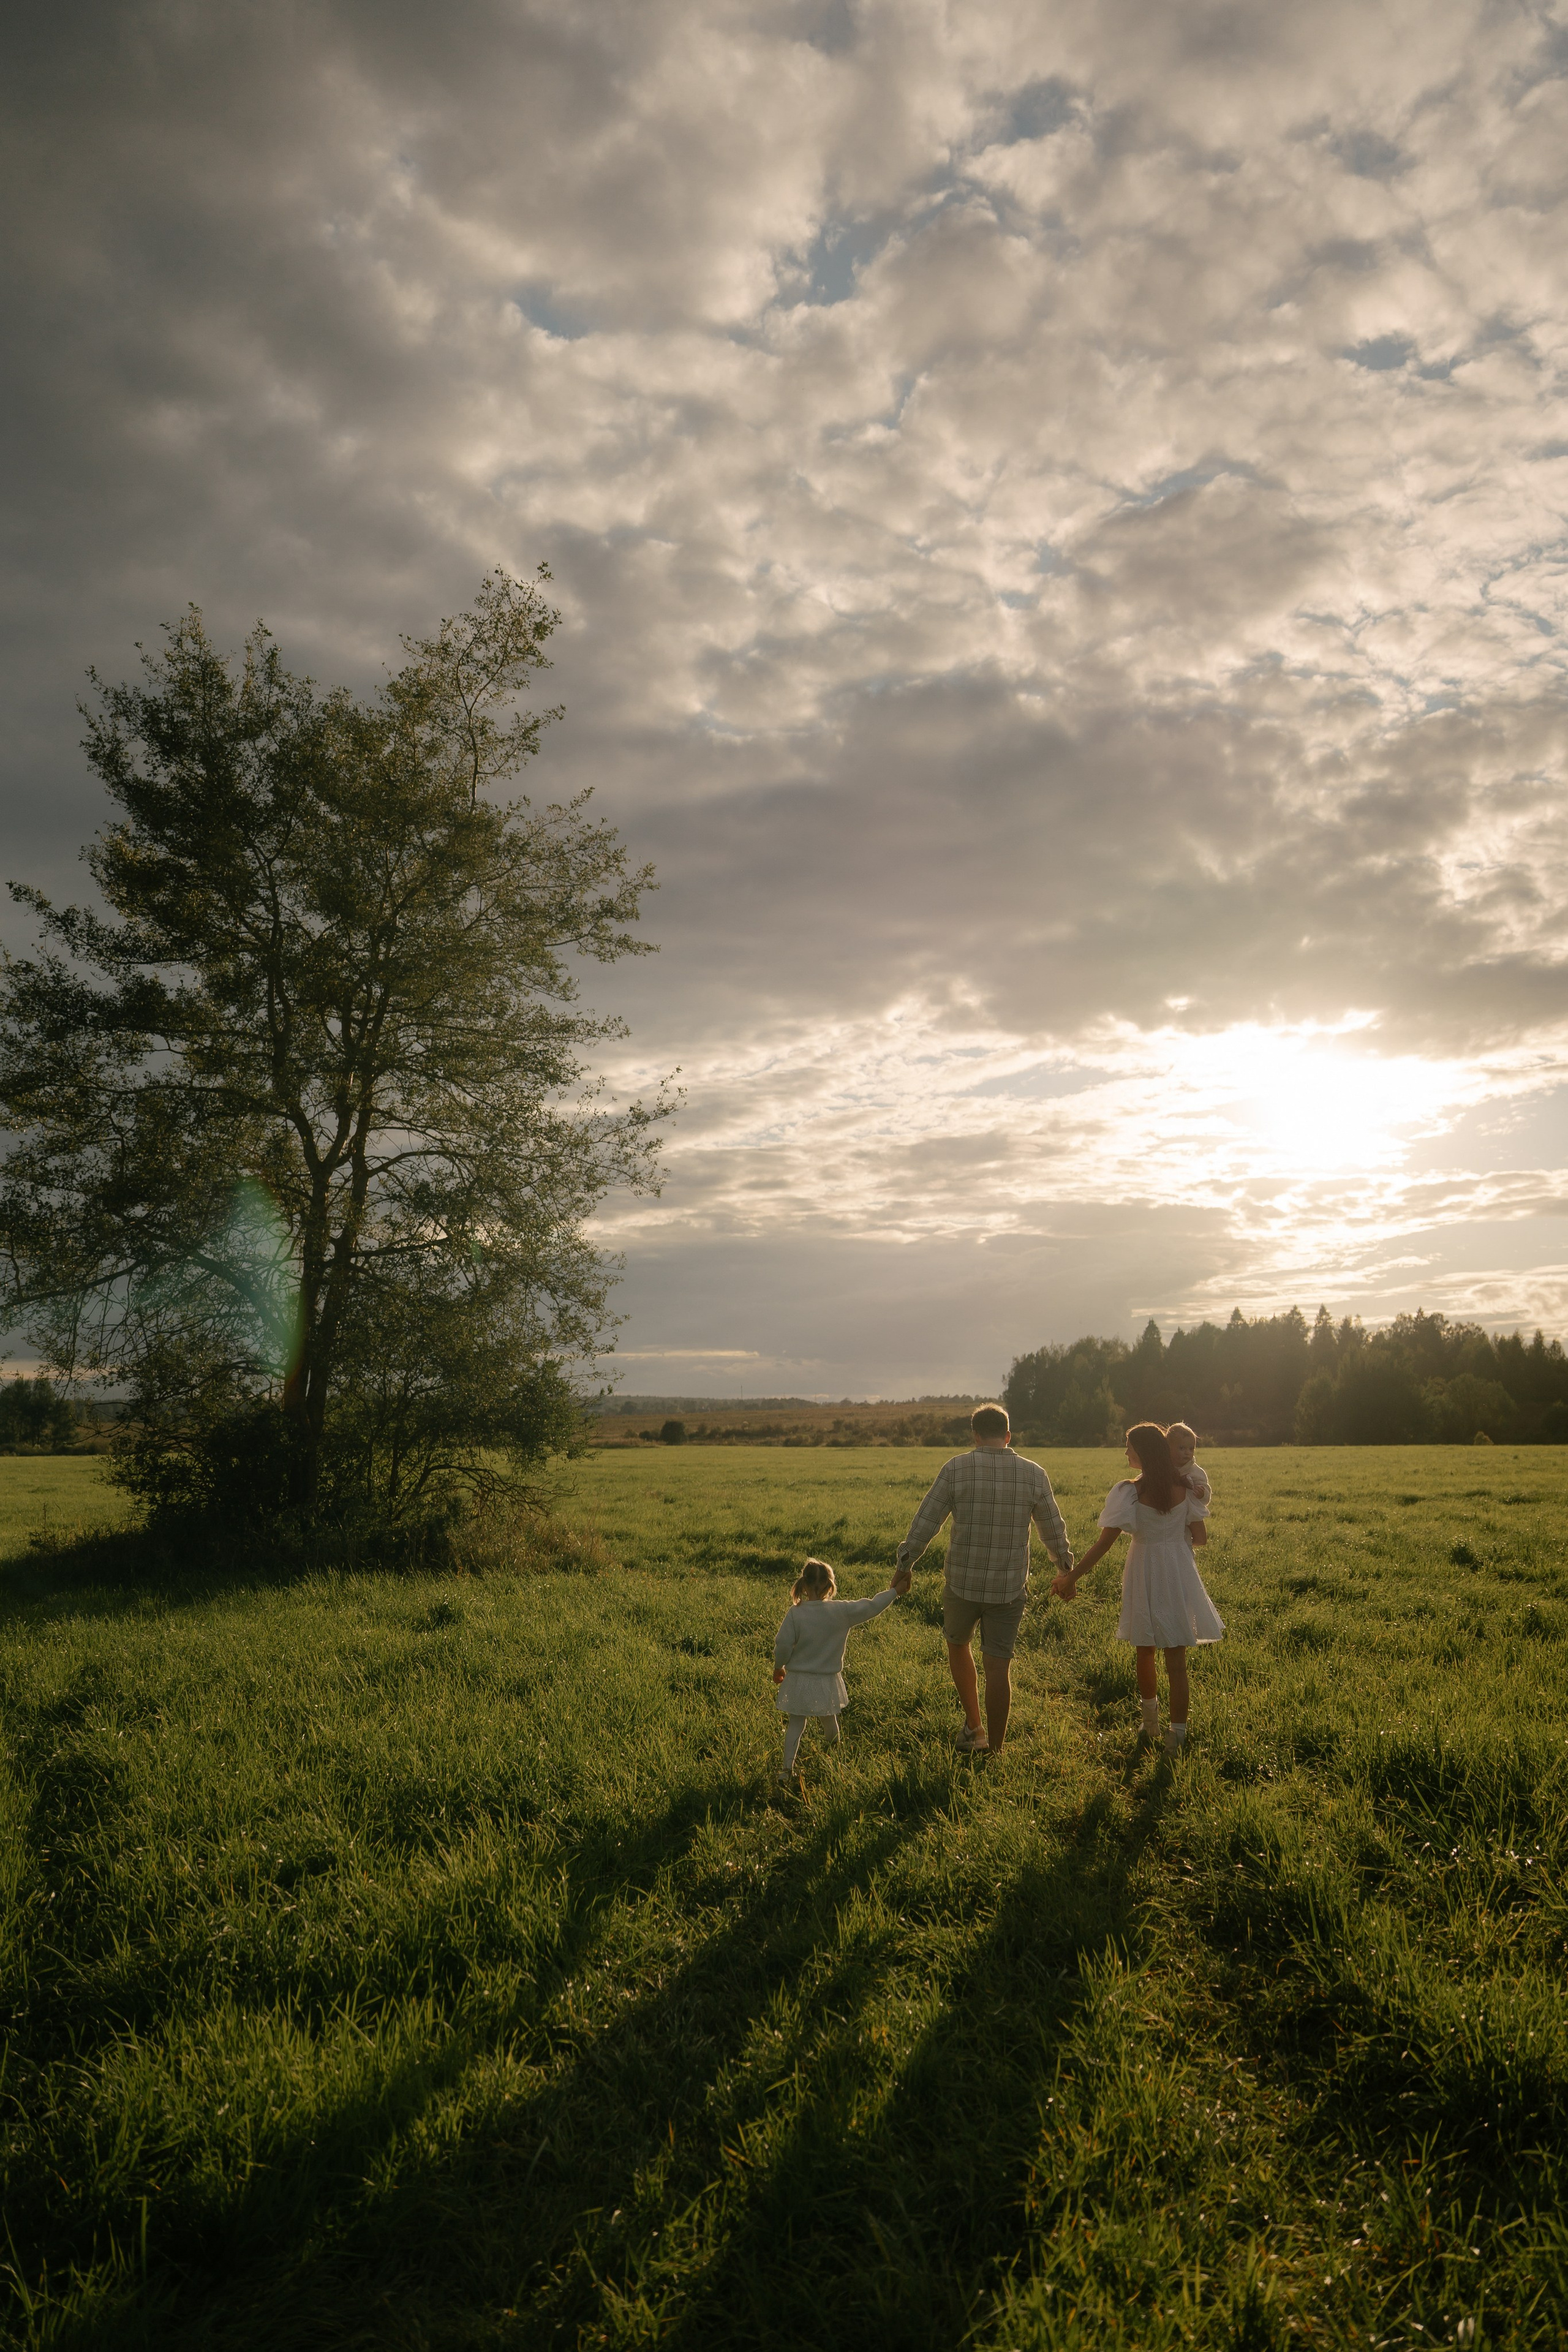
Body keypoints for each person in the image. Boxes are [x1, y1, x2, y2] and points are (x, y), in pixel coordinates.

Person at [895, 1402, 1074, 1758]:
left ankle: (974, 1726)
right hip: (1008, 1590)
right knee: (998, 1666)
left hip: (961, 1582)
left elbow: (927, 1521)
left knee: (958, 1645)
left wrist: (905, 1564)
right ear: (1008, 1436)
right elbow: (1053, 1531)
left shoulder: (956, 1468)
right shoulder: (1034, 1474)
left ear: (975, 1435)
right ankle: (995, 1750)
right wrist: (1065, 1570)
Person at [1052, 1421, 1221, 1755]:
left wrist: (1072, 1577)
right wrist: (1176, 1537)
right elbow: (1200, 1539)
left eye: (1128, 1446)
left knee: (1144, 1649)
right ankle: (1178, 1735)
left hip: (1143, 1568)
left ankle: (1150, 1723)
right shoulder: (1186, 1488)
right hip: (1178, 1570)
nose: (1125, 1452)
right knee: (1177, 1659)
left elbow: (1104, 1545)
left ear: (1141, 1452)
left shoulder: (1130, 1491)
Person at [772, 1555, 909, 1785]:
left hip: (799, 1678)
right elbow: (872, 1605)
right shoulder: (841, 1611)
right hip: (827, 1680)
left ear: (803, 1586)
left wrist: (779, 1667)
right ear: (829, 1586)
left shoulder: (796, 1613)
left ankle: (787, 1769)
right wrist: (895, 1592)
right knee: (829, 1719)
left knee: (796, 1723)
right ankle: (834, 1757)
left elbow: (783, 1645)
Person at [1167, 1422, 1211, 1510]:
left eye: (1191, 1449)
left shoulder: (1195, 1471)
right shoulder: (1164, 1467)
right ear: (1168, 1447)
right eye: (1182, 1448)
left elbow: (1206, 1494)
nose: (1187, 1452)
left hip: (1190, 1513)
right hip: (1170, 1511)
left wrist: (1202, 1494)